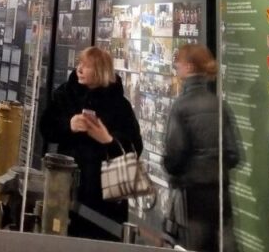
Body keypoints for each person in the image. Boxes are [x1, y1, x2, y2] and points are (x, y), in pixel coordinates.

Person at [41, 46, 143, 240]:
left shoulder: (119, 105)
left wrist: (108, 139)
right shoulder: (65, 95)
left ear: (100, 70)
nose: (79, 69)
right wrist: (69, 125)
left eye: (86, 66)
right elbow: (46, 128)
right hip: (67, 186)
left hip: (105, 195)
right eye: (79, 63)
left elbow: (135, 147)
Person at [163, 43, 242, 252]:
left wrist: (176, 171)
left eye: (179, 63)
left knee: (192, 246)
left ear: (189, 67)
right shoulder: (220, 105)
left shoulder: (181, 107)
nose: (176, 67)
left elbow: (174, 156)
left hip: (192, 197)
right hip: (220, 195)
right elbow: (234, 155)